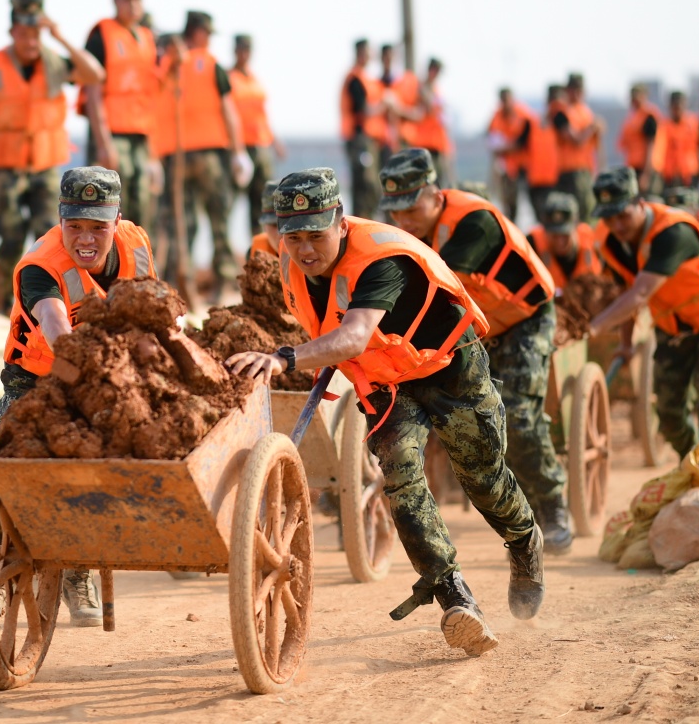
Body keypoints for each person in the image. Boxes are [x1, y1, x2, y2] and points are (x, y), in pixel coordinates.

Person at [226, 167, 544, 656]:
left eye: (315, 235)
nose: (305, 249)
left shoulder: (380, 258)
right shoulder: (294, 270)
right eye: (293, 238)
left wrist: (284, 356)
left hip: (446, 366)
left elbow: (352, 334)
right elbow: (338, 334)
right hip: (388, 382)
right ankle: (454, 596)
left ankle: (524, 541)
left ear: (340, 222)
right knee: (399, 478)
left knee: (482, 477)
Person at [378, 148, 573, 554]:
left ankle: (554, 507)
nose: (403, 220)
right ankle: (513, 499)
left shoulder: (473, 221)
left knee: (519, 414)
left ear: (435, 192)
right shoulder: (409, 234)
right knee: (478, 417)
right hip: (476, 327)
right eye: (395, 212)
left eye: (412, 207)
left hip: (525, 319)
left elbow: (430, 283)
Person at [0, 166, 156, 626]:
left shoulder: (137, 245)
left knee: (92, 477)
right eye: (75, 227)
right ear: (60, 220)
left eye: (98, 228)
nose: (86, 239)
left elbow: (146, 304)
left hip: (105, 370)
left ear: (117, 220)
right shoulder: (40, 268)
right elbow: (57, 330)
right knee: (9, 472)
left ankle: (77, 572)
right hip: (37, 374)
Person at [588, 168, 699, 482]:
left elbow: (640, 293)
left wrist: (594, 326)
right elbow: (624, 291)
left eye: (622, 215)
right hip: (675, 327)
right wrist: (626, 343)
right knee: (668, 410)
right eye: (609, 218)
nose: (617, 225)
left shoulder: (672, 232)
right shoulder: (612, 244)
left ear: (639, 202)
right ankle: (697, 468)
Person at [0, 0, 104, 312]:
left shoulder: (55, 62)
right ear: (12, 32)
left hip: (44, 164)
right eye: (23, 33)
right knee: (9, 234)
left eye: (36, 34)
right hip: (5, 165)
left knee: (53, 234)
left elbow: (95, 74)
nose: (30, 41)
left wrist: (59, 37)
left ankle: (59, 298)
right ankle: (7, 300)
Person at [156, 10, 250, 301]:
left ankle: (184, 283)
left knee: (190, 222)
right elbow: (228, 110)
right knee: (210, 220)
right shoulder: (204, 63)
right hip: (196, 155)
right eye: (207, 34)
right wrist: (239, 152)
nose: (208, 40)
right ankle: (193, 284)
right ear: (198, 33)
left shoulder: (167, 63)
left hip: (179, 156)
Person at [81, 0, 159, 236]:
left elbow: (151, 91)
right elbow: (92, 92)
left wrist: (154, 152)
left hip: (140, 133)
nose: (133, 4)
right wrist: (103, 143)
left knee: (142, 203)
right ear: (116, 0)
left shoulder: (147, 37)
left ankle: (136, 268)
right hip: (112, 132)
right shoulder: (101, 35)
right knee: (108, 203)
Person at [229, 34, 284, 236]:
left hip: (261, 146)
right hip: (240, 147)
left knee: (262, 202)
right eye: (241, 49)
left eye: (248, 50)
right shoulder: (229, 78)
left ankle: (258, 245)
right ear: (235, 51)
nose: (244, 54)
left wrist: (275, 142)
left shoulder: (255, 80)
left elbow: (262, 115)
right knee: (230, 200)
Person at [340, 39, 389, 219]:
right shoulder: (355, 79)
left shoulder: (367, 79)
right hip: (359, 140)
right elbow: (363, 109)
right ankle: (362, 222)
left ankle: (368, 220)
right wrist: (385, 104)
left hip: (369, 141)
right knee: (365, 185)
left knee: (371, 186)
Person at [528, 191, 603, 290]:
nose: (560, 241)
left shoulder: (595, 241)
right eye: (555, 235)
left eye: (565, 234)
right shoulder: (531, 245)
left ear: (576, 227)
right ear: (544, 230)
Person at [555, 73, 601, 222]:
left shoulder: (586, 111)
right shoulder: (562, 112)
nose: (575, 93)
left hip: (585, 170)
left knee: (587, 211)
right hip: (569, 172)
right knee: (573, 213)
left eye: (578, 89)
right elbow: (576, 140)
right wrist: (591, 128)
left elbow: (595, 145)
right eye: (572, 89)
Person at [399, 58, 451, 186]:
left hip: (437, 144)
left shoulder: (436, 90)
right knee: (425, 182)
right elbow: (425, 108)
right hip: (423, 144)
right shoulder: (421, 88)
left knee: (439, 181)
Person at [486, 88, 532, 223]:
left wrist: (507, 146)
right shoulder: (496, 117)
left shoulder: (523, 115)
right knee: (509, 203)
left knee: (526, 200)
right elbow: (493, 142)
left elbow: (523, 141)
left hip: (525, 165)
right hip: (507, 167)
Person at [523, 85, 563, 220]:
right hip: (535, 181)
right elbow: (519, 144)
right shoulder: (531, 123)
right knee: (542, 219)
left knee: (554, 219)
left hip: (555, 180)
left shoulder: (561, 122)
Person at [618, 84, 664, 196]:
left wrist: (646, 175)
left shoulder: (648, 116)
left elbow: (651, 145)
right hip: (634, 168)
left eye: (637, 95)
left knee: (649, 202)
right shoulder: (632, 117)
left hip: (646, 168)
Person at [661, 91, 699, 189]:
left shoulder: (694, 124)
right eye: (675, 106)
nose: (678, 109)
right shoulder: (663, 126)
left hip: (690, 173)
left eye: (680, 105)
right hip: (669, 176)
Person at [246, 180, 279, 259]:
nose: (280, 234)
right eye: (274, 225)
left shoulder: (312, 252)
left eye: (286, 225)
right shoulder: (256, 254)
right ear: (264, 226)